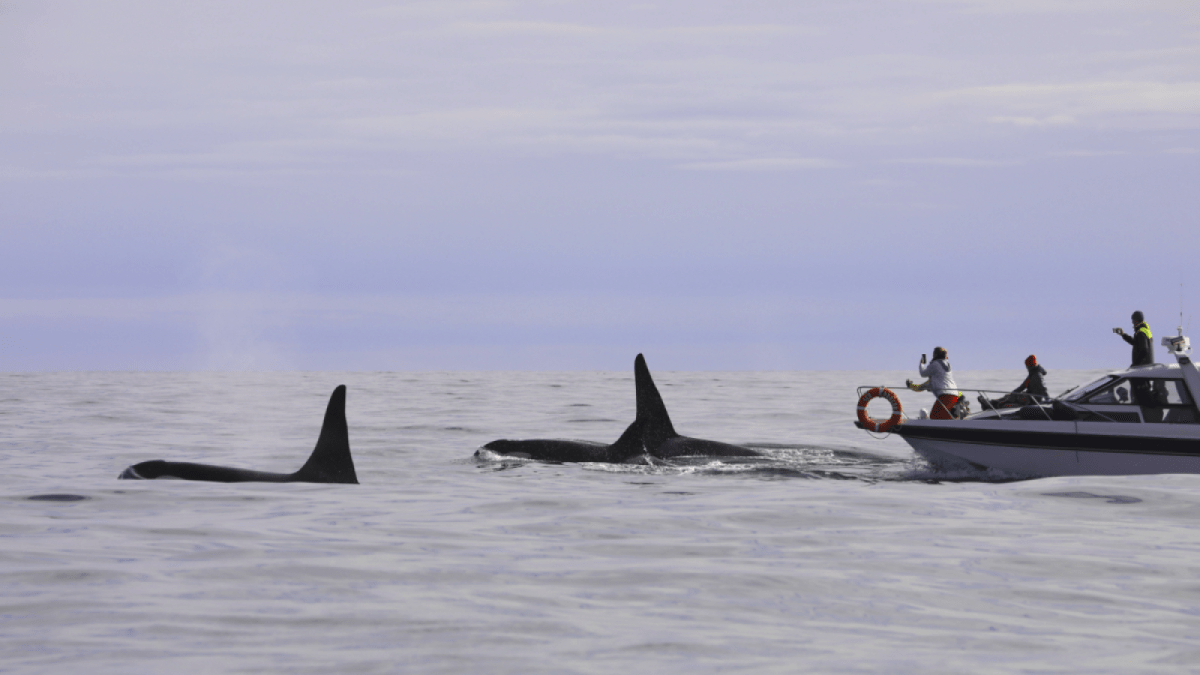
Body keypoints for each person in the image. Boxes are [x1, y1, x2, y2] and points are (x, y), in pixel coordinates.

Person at [906, 346, 964, 420]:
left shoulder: (935, 365)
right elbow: (921, 387)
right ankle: (957, 413)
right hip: (956, 394)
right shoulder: (947, 366)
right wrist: (911, 385)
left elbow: (923, 374)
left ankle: (955, 415)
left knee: (934, 416)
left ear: (935, 355)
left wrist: (922, 363)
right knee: (945, 416)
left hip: (945, 396)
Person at [978, 355, 1048, 410]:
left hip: (1033, 399)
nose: (1026, 368)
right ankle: (991, 403)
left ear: (1030, 365)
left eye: (1027, 366)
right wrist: (1012, 393)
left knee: (1014, 398)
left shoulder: (1037, 375)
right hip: (1029, 396)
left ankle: (994, 405)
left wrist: (1048, 399)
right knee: (1009, 396)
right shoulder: (1031, 375)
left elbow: (1043, 388)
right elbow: (1022, 387)